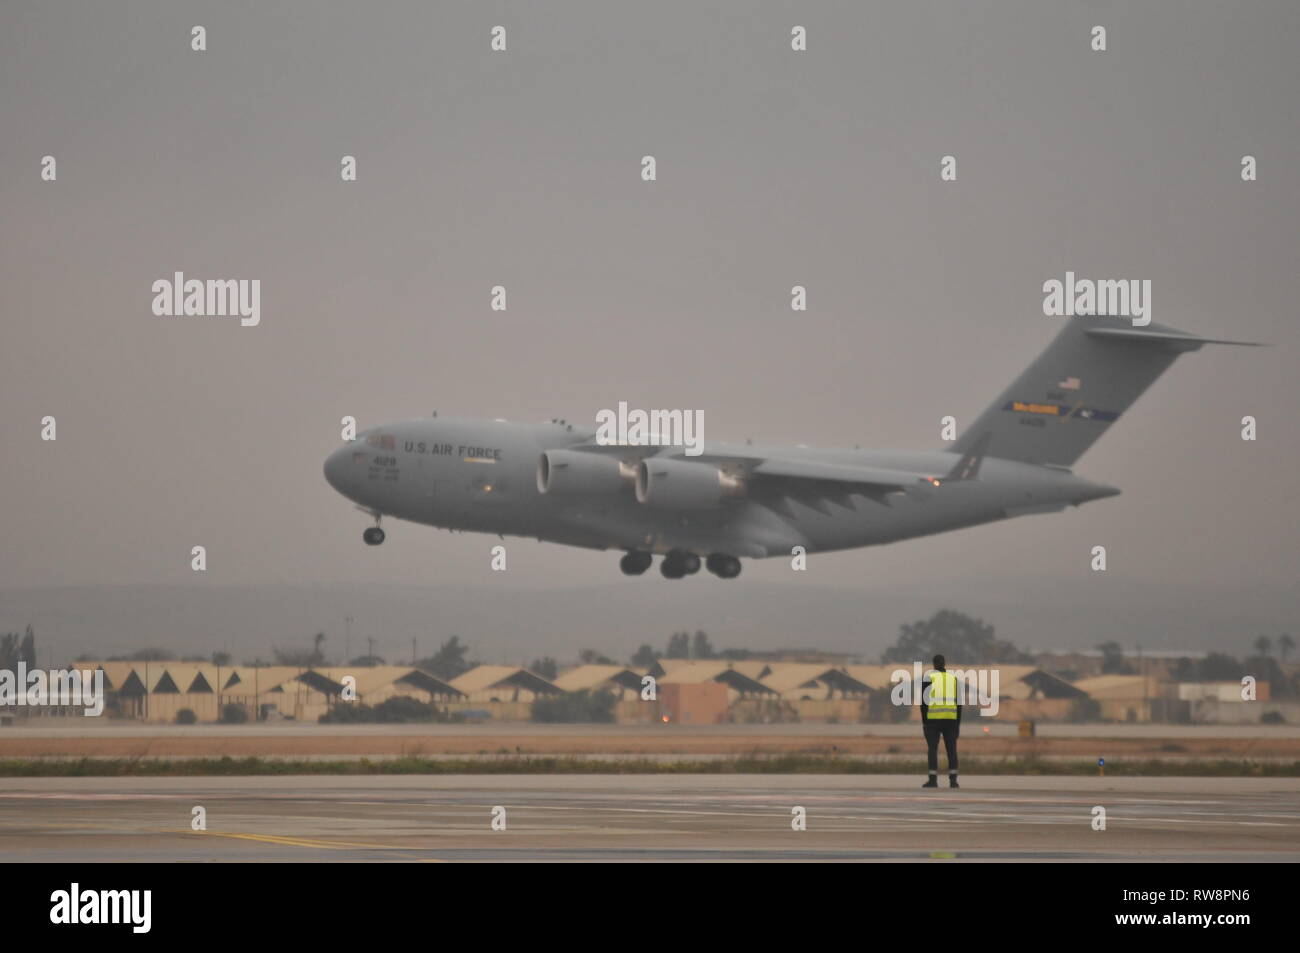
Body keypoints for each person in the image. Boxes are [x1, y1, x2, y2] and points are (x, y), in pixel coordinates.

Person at [920, 654, 960, 788]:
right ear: (944, 664)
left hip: (933, 720)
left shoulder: (928, 678)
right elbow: (959, 703)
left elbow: (923, 702)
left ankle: (933, 780)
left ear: (934, 664)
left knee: (932, 749)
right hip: (951, 720)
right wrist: (958, 723)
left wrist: (924, 721)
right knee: (952, 749)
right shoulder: (953, 679)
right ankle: (953, 780)